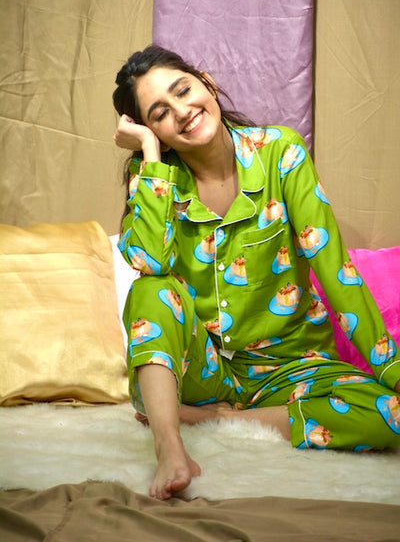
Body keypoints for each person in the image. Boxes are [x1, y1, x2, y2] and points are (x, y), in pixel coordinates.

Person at [113, 44, 400, 501]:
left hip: (291, 367)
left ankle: (218, 419)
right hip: (199, 373)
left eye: (183, 91)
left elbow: (336, 272)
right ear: (155, 133)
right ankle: (170, 446)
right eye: (160, 114)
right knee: (151, 289)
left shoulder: (280, 153)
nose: (182, 112)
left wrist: (394, 372)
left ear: (207, 83)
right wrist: (149, 156)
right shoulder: (156, 178)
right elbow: (148, 264)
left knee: (391, 413)